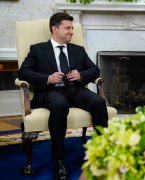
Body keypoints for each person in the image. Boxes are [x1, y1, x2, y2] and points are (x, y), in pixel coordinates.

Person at [17, 12, 108, 179]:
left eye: (72, 28)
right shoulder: (38, 49)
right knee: (60, 104)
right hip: (49, 92)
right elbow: (23, 72)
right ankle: (58, 160)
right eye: (67, 28)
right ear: (54, 29)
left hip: (74, 90)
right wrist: (47, 78)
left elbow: (95, 70)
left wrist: (81, 75)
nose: (71, 31)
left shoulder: (78, 50)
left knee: (98, 102)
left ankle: (103, 153)